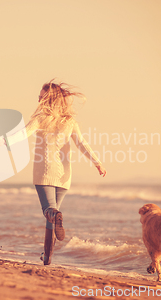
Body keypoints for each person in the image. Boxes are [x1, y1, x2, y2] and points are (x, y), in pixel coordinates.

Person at [17, 80, 107, 265]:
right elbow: (82, 144)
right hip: (64, 176)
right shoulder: (70, 121)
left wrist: (3, 141)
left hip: (45, 172)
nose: (39, 100)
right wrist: (97, 163)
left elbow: (23, 133)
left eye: (41, 97)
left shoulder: (41, 118)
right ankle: (47, 257)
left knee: (49, 212)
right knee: (53, 215)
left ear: (48, 100)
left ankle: (49, 247)